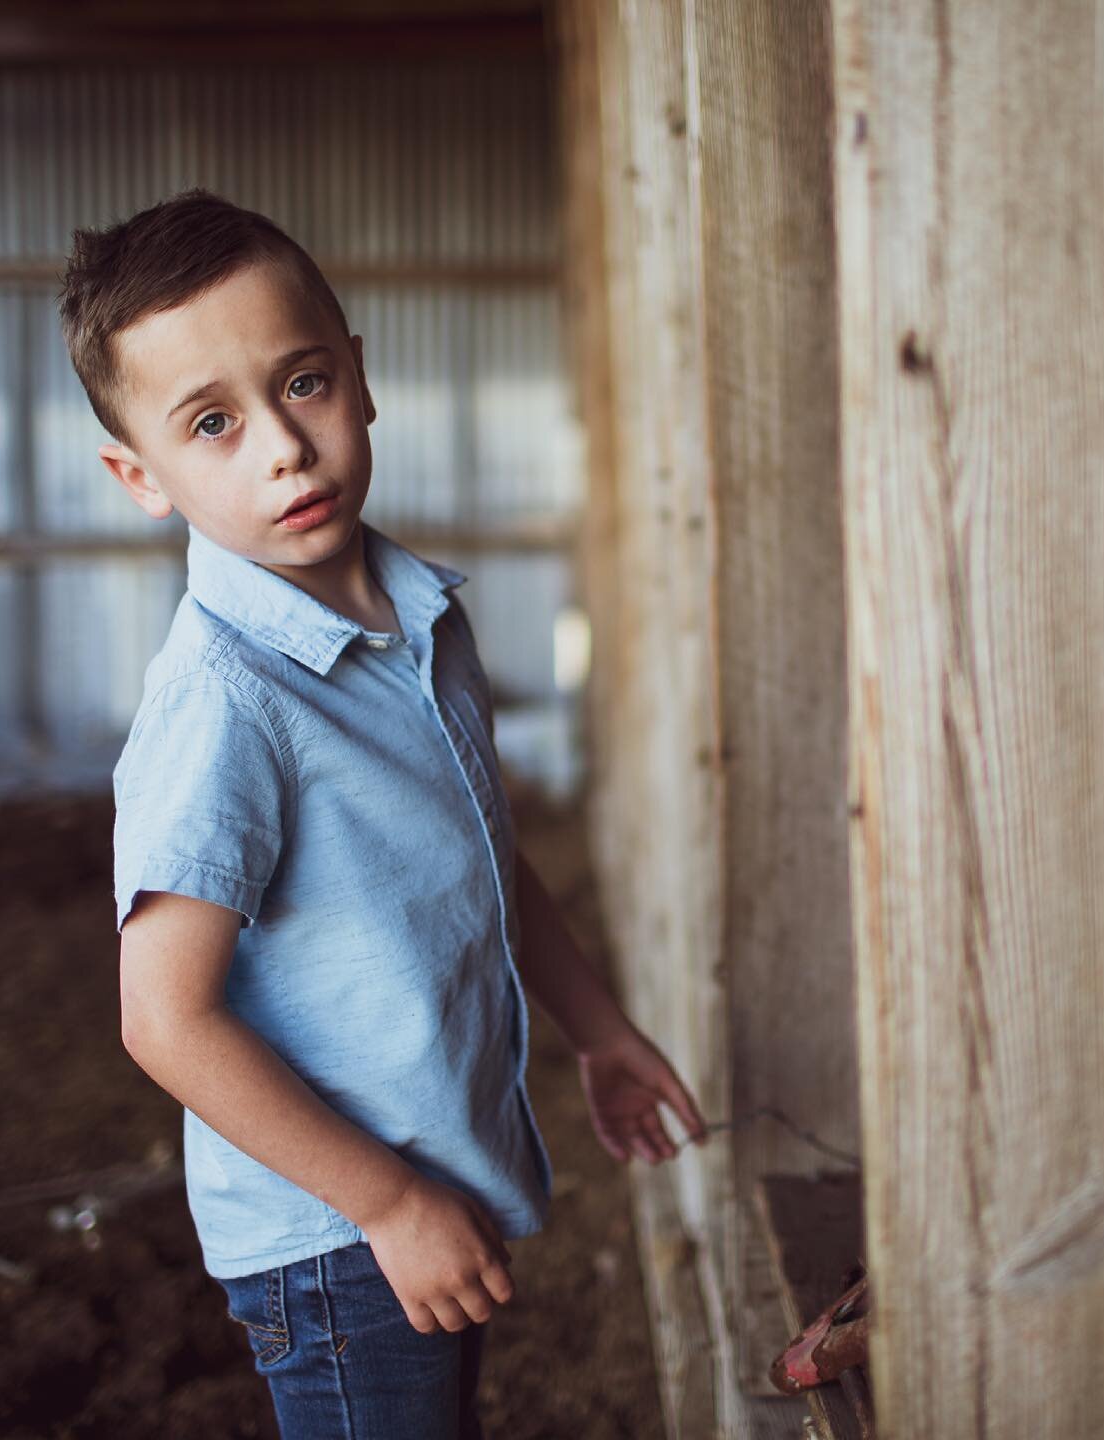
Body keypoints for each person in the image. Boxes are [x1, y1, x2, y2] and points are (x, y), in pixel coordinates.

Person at [56, 187, 708, 1439]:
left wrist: (599, 1030)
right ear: (140, 476)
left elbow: (478, 856)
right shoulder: (225, 705)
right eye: (211, 424)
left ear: (358, 375)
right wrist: (389, 1206)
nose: (282, 449)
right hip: (336, 1234)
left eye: (299, 383)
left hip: (433, 1178)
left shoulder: (419, 620)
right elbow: (164, 1020)